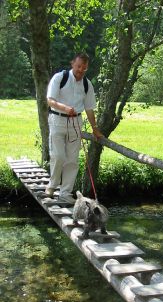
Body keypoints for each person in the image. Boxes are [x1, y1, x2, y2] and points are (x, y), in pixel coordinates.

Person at [45, 53, 103, 204]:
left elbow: (89, 109)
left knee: (72, 160)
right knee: (58, 156)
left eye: (84, 68)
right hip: (57, 119)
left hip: (76, 122)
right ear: (72, 64)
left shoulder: (87, 84)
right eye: (79, 66)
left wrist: (95, 128)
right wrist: (65, 107)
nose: (81, 70)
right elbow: (50, 101)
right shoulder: (60, 77)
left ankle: (65, 193)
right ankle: (52, 186)